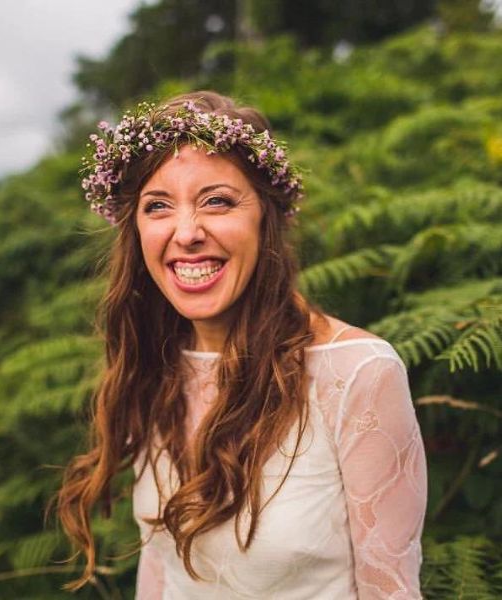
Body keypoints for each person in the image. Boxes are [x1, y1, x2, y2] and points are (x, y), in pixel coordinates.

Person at [57, 90, 428, 599]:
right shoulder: (155, 366)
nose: (186, 232)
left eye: (217, 201)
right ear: (135, 230)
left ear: (266, 218)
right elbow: (162, 572)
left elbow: (391, 592)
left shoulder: (358, 374)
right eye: (158, 206)